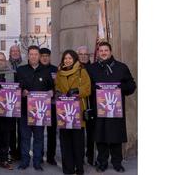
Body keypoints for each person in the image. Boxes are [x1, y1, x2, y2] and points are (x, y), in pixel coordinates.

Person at [86, 42, 136, 173]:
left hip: (115, 109)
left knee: (116, 137)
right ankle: (102, 163)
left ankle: (117, 163)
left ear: (111, 51)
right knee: (100, 136)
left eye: (106, 50)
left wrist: (119, 88)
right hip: (99, 108)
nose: (103, 52)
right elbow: (87, 87)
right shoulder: (91, 68)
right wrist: (95, 89)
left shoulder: (121, 67)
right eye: (101, 50)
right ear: (98, 52)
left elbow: (131, 85)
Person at [15, 45, 54, 171]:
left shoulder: (46, 71)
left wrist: (51, 92)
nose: (33, 56)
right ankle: (24, 161)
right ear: (28, 56)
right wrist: (22, 92)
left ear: (39, 56)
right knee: (25, 137)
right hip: (25, 110)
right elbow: (16, 87)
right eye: (31, 54)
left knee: (39, 137)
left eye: (35, 54)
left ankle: (37, 162)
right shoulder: (21, 70)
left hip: (40, 110)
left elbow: (51, 87)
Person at [55, 50, 91, 175]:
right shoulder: (59, 73)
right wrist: (58, 92)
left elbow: (88, 89)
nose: (67, 60)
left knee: (78, 143)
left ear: (75, 59)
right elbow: (57, 86)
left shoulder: (82, 71)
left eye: (70, 58)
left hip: (77, 112)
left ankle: (79, 168)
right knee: (65, 143)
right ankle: (68, 168)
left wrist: (77, 90)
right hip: (63, 112)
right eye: (65, 58)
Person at [0, 52, 15, 169]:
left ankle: (4, 159)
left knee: (5, 137)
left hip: (7, 111)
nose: (0, 62)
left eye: (2, 60)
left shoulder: (12, 73)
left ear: (5, 61)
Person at [77, 45, 95, 165]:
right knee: (80, 133)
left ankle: (90, 156)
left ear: (89, 56)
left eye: (86, 54)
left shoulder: (94, 68)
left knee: (91, 133)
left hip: (92, 104)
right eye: (81, 54)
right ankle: (80, 156)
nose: (83, 56)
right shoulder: (74, 68)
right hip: (78, 105)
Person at [39, 48, 58, 166]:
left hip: (52, 105)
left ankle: (51, 156)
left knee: (52, 133)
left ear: (50, 57)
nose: (45, 58)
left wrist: (54, 91)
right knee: (39, 132)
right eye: (43, 56)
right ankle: (39, 155)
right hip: (39, 105)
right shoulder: (36, 69)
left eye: (47, 55)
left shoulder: (55, 70)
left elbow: (59, 86)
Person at [8, 44, 24, 161]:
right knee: (11, 128)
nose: (14, 52)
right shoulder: (5, 65)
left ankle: (21, 151)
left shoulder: (25, 64)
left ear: (19, 52)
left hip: (23, 101)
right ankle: (12, 151)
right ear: (10, 53)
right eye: (12, 51)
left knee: (22, 128)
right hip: (10, 101)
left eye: (16, 51)